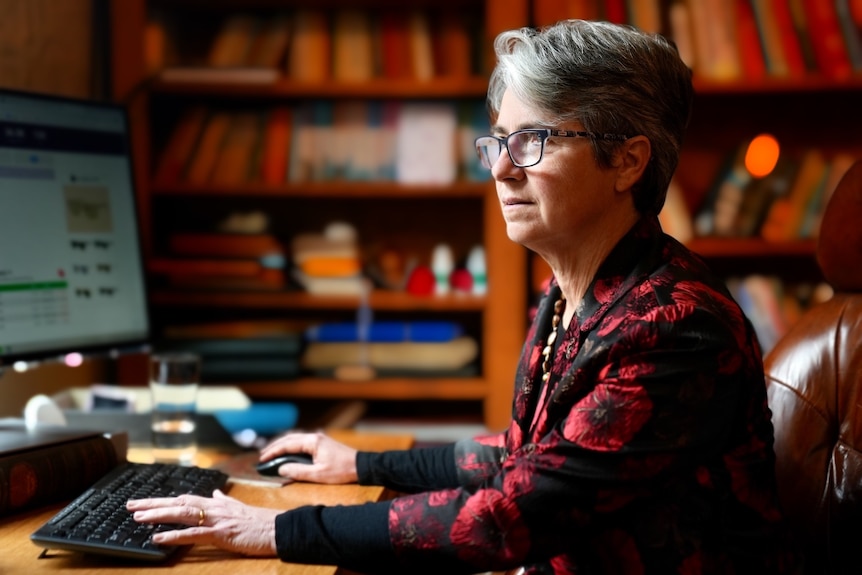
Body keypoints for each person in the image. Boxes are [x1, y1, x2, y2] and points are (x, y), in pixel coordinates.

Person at [128, 19, 799, 573]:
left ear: (628, 161)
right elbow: (518, 452)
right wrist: (356, 461)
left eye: (534, 141)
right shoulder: (575, 293)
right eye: (499, 142)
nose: (502, 167)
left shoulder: (676, 326)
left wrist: (274, 528)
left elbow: (506, 517)